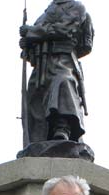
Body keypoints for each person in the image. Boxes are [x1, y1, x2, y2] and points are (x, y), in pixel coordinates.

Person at [19, 0, 94, 144]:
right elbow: (35, 44)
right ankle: (37, 141)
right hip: (42, 65)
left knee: (62, 82)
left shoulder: (76, 7)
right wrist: (27, 45)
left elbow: (64, 30)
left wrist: (32, 32)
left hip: (64, 60)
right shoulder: (44, 15)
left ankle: (63, 127)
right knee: (34, 99)